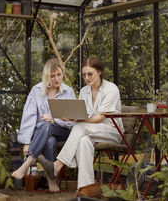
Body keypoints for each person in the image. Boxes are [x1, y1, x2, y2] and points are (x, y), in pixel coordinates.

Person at [38, 56, 124, 198]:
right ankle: (85, 193)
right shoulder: (85, 91)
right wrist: (71, 117)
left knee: (80, 126)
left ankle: (57, 165)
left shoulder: (111, 89)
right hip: (90, 132)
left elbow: (99, 118)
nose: (86, 77)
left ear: (99, 72)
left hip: (111, 131)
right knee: (83, 141)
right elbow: (83, 115)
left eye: (90, 74)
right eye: (84, 75)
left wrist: (78, 119)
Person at [11, 58, 75, 193]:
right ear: (47, 76)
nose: (57, 79)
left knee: (48, 125)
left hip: (63, 132)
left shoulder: (68, 92)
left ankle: (28, 161)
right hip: (42, 134)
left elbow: (71, 121)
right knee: (49, 140)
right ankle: (52, 181)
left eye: (59, 75)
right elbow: (29, 116)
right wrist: (26, 142)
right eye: (53, 76)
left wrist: (53, 120)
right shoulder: (36, 90)